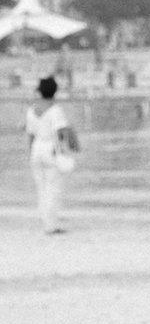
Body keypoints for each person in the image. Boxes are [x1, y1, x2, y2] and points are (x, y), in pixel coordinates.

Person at [25, 76, 78, 234]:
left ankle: (44, 219)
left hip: (36, 149)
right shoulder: (55, 110)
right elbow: (61, 132)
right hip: (50, 148)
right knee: (53, 188)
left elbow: (30, 134)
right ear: (55, 91)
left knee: (41, 187)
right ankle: (51, 225)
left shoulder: (31, 110)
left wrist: (30, 153)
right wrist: (63, 150)